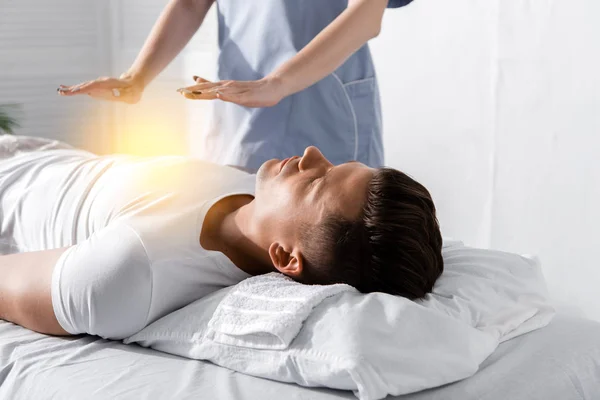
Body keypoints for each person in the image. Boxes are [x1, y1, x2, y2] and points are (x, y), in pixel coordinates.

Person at [0, 136, 442, 341]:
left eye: (317, 181)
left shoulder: (126, 276)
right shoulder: (257, 195)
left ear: (286, 257)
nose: (311, 154)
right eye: (333, 162)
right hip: (40, 151)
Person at [58, 0, 415, 171]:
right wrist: (136, 78)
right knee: (240, 234)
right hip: (241, 109)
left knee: (333, 235)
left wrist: (277, 83)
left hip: (326, 105)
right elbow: (190, 4)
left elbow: (367, 15)